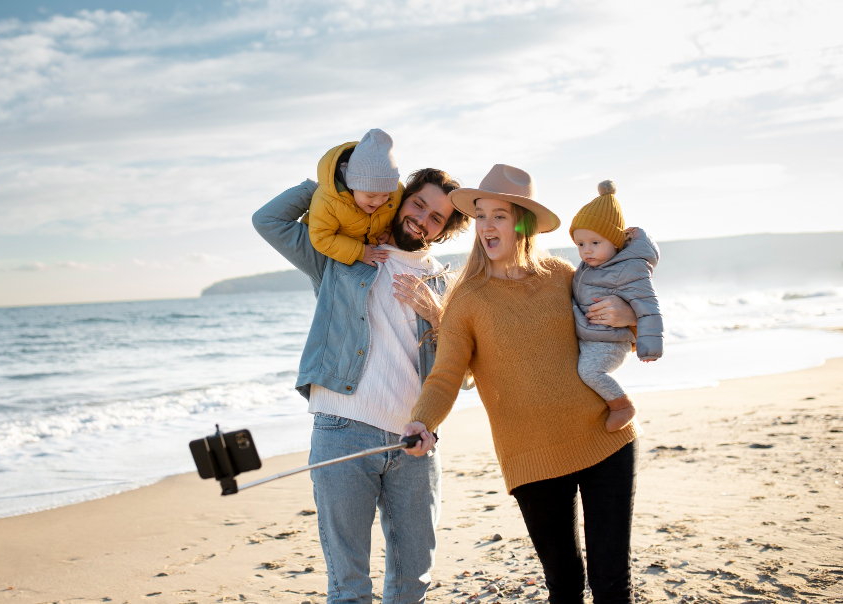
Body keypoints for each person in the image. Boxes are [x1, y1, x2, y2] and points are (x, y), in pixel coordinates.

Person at [403, 164, 640, 603]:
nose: (486, 226)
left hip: (605, 437)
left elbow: (622, 313)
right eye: (480, 215)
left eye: (499, 215)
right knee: (564, 584)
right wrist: (423, 422)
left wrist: (631, 318)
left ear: (522, 223)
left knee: (612, 581)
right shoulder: (467, 299)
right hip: (530, 457)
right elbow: (447, 374)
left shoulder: (562, 275)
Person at [252, 154, 470, 604]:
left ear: (444, 230)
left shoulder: (446, 284)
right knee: (349, 587)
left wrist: (436, 313)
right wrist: (342, 185)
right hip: (342, 430)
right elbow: (268, 219)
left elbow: (465, 374)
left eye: (436, 217)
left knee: (412, 584)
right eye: (418, 205)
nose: (422, 219)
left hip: (416, 440)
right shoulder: (341, 253)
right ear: (400, 199)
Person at [570, 179, 664, 432]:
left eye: (595, 243)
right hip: (592, 336)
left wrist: (649, 348)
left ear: (615, 242)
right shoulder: (590, 266)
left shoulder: (630, 268)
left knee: (590, 373)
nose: (586, 251)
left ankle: (623, 406)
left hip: (611, 342)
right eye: (580, 244)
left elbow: (648, 306)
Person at [306, 129, 403, 267]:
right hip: (331, 255)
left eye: (385, 195)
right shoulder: (328, 202)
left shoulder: (396, 193)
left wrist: (388, 232)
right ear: (351, 186)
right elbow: (321, 238)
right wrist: (360, 252)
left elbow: (396, 216)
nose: (378, 202)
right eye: (370, 195)